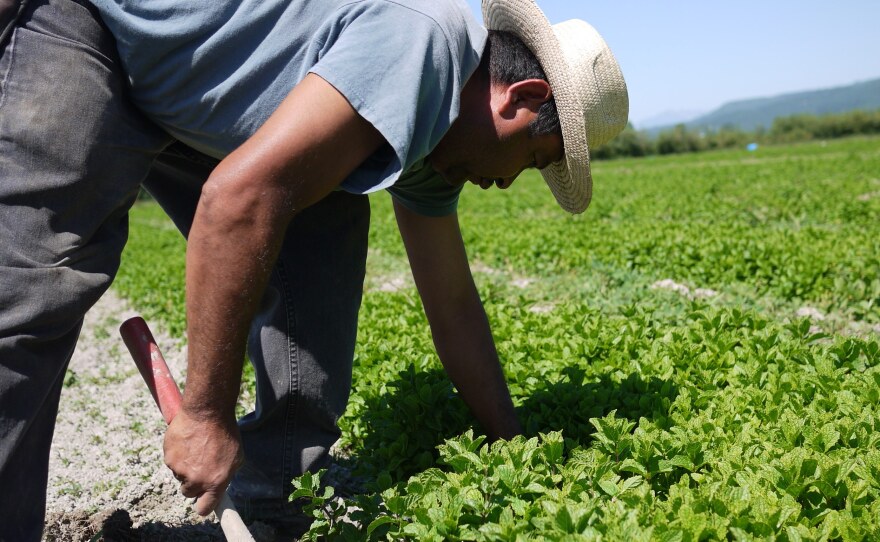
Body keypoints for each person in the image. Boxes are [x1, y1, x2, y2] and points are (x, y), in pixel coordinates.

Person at [0, 0, 627, 538]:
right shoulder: (425, 47)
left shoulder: (439, 149)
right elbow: (238, 201)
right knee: (32, 293)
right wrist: (205, 417)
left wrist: (512, 451)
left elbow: (454, 307)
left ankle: (272, 504)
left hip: (214, 107)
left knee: (324, 236)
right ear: (523, 97)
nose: (506, 183)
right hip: (103, 33)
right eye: (532, 158)